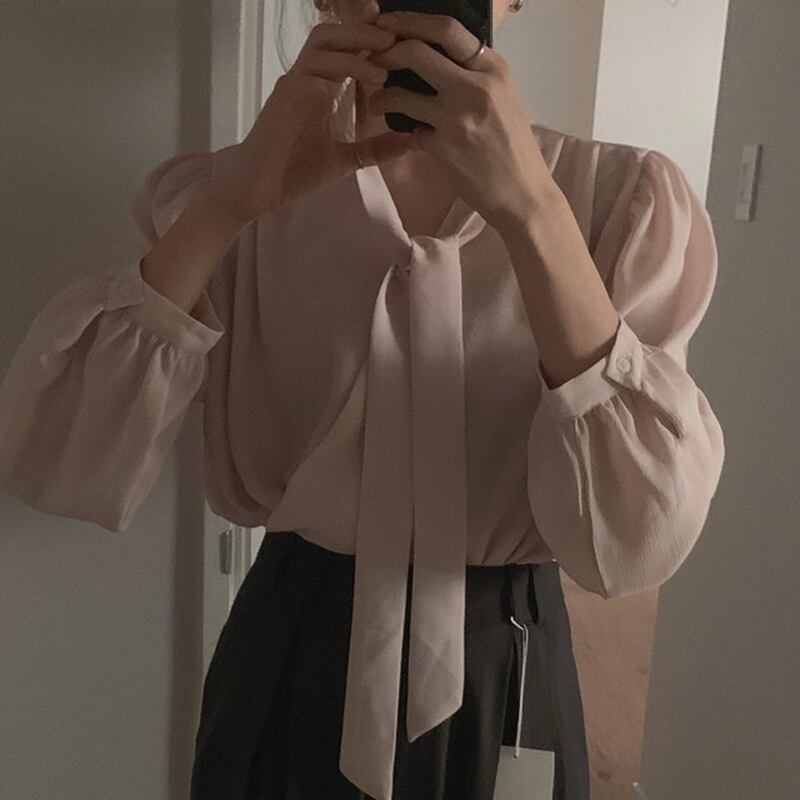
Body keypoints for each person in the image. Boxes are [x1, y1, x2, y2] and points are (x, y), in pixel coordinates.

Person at [0, 0, 726, 798]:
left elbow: (636, 542)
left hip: (508, 666)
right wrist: (226, 206)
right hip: (289, 657)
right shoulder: (238, 195)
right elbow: (59, 462)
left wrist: (532, 211)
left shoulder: (622, 204)